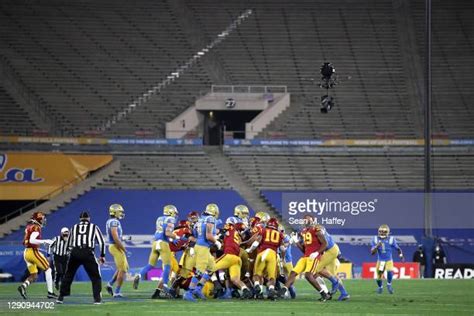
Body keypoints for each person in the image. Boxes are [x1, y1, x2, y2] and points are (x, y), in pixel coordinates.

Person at [57, 211, 106, 305]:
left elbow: (68, 243)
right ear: (89, 219)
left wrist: (70, 253)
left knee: (68, 275)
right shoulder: (94, 227)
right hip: (87, 252)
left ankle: (60, 297)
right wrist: (102, 255)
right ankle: (97, 299)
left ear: (80, 219)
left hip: (75, 252)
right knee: (96, 276)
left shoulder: (74, 227)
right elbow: (102, 242)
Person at [279, 215, 330, 301]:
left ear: (312, 221)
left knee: (308, 275)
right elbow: (304, 249)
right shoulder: (304, 231)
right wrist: (297, 241)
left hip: (314, 257)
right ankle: (283, 291)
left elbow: (325, 244)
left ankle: (324, 294)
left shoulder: (316, 229)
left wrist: (317, 252)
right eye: (304, 220)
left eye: (307, 220)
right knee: (293, 273)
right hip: (306, 256)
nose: (305, 221)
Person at [183, 203, 221, 302]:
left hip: (201, 246)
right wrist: (216, 241)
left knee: (212, 268)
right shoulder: (210, 219)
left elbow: (199, 233)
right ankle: (189, 292)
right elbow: (208, 235)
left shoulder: (201, 219)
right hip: (202, 248)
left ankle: (198, 289)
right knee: (199, 272)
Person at [18, 212, 56, 300]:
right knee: (48, 269)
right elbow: (32, 240)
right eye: (42, 219)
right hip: (32, 252)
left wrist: (42, 242)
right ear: (38, 219)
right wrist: (45, 241)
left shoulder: (30, 226)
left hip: (26, 252)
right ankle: (50, 292)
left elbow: (29, 240)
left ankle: (23, 287)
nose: (43, 220)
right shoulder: (36, 227)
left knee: (34, 275)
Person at [370, 224, 404, 295]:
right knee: (379, 276)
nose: (382, 233)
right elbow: (372, 253)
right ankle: (380, 287)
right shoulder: (375, 239)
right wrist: (376, 246)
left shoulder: (391, 239)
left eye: (384, 232)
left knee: (389, 271)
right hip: (381, 261)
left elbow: (398, 248)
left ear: (388, 232)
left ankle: (389, 285)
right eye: (381, 231)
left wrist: (401, 256)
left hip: (388, 260)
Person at [105, 204, 128, 298]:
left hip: (114, 246)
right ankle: (117, 292)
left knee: (122, 268)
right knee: (122, 269)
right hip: (115, 246)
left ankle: (110, 284)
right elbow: (115, 237)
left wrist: (123, 238)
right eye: (120, 211)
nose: (121, 213)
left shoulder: (111, 221)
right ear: (115, 212)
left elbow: (117, 236)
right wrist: (124, 249)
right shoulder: (114, 222)